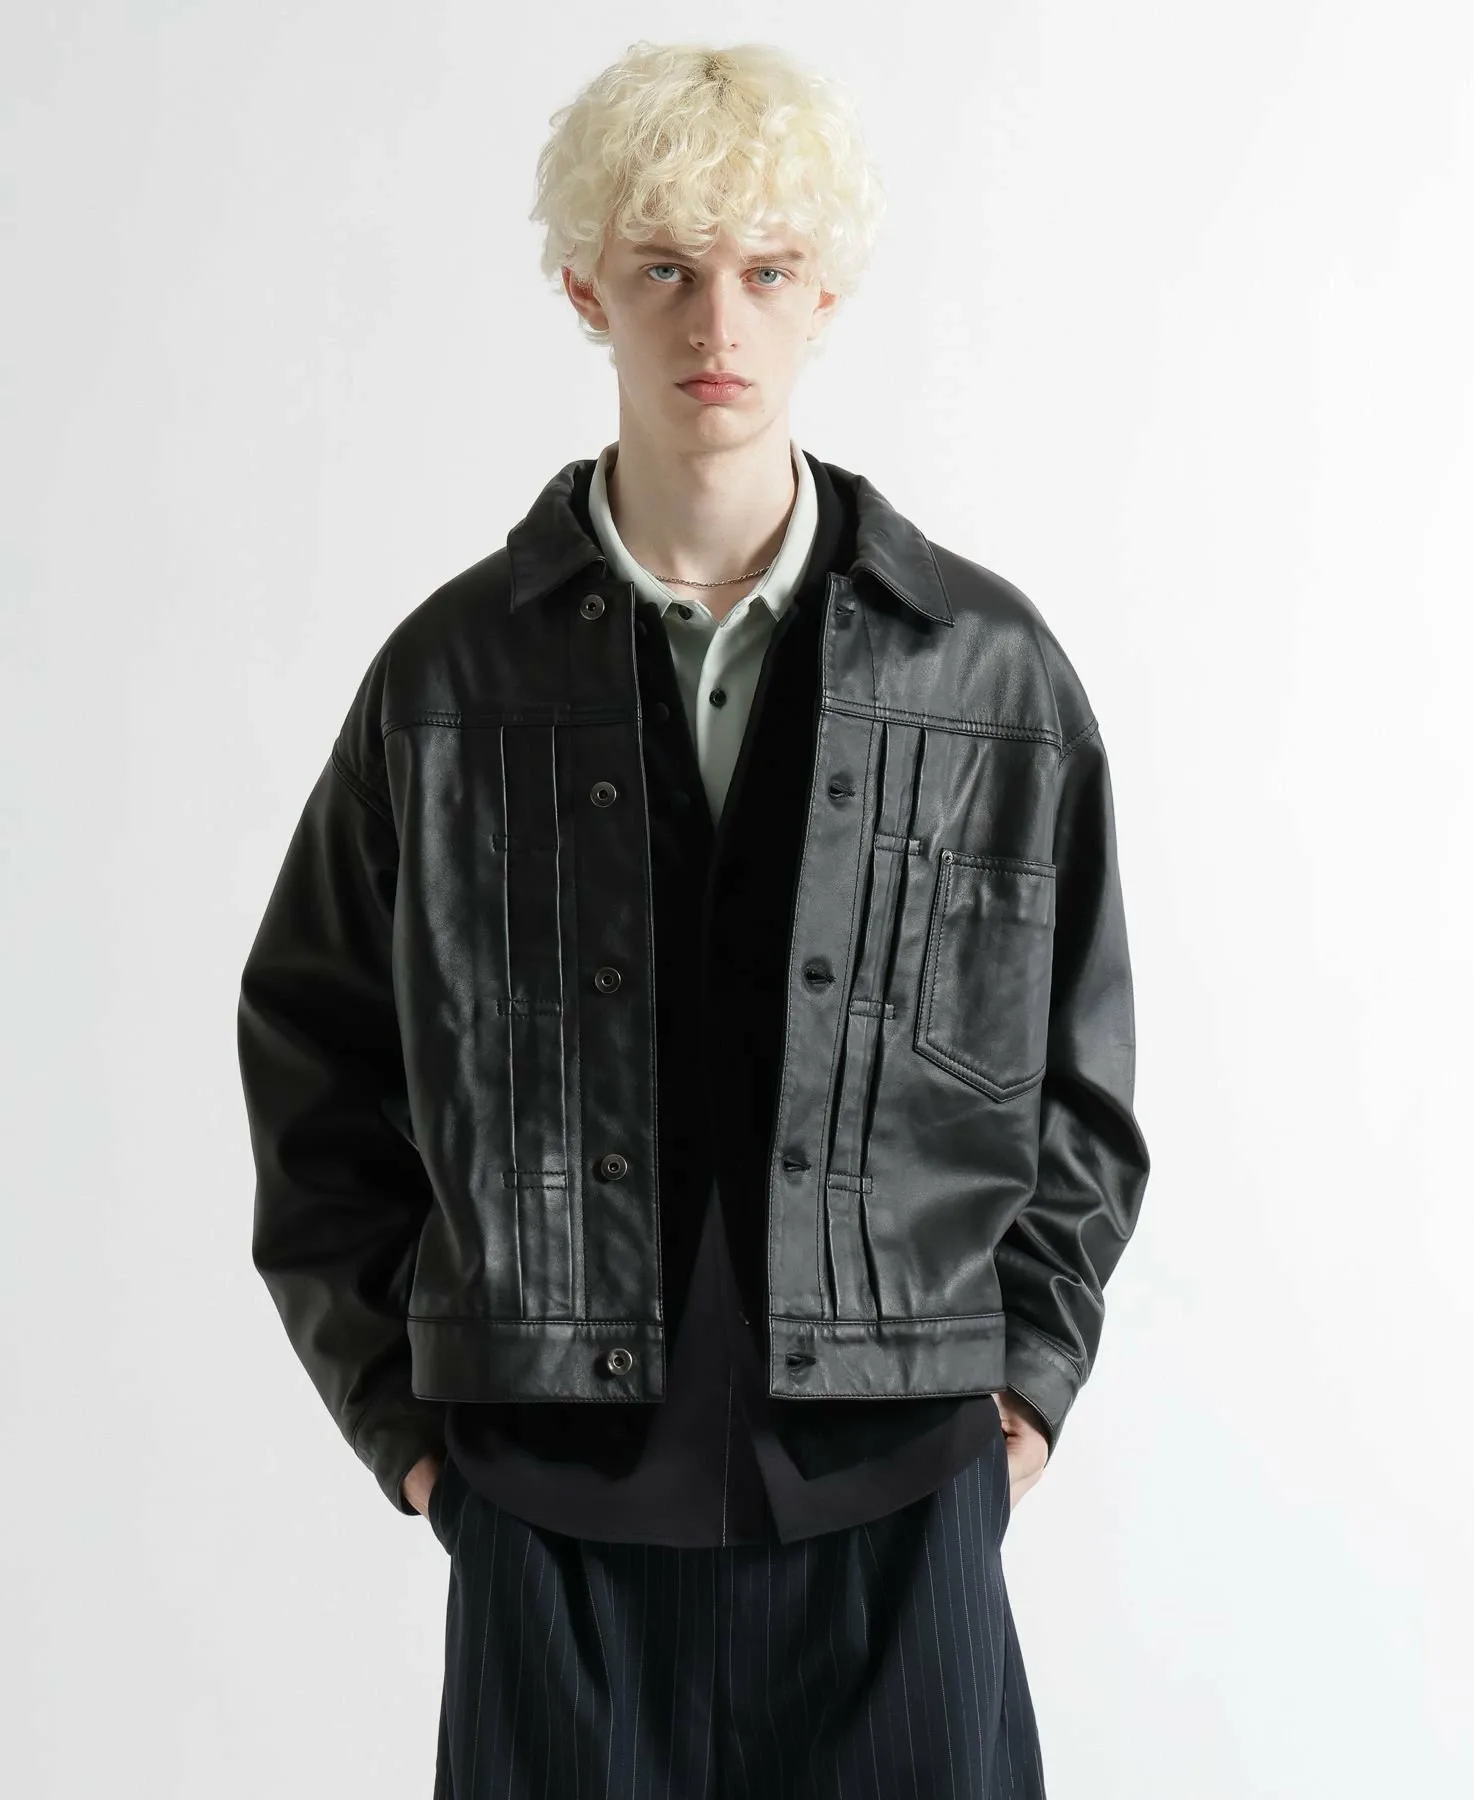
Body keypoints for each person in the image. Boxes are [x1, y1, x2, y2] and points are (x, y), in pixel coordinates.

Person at [237, 38, 1150, 1800]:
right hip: (550, 1515)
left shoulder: (987, 673)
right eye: (664, 268)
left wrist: (1022, 1394)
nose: (716, 322)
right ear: (587, 288)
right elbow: (312, 1060)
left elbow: (1082, 1082)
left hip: (903, 1505)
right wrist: (413, 1432)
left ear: (827, 295)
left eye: (766, 271)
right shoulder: (450, 680)